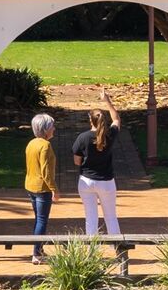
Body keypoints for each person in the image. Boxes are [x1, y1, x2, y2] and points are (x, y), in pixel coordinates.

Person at [72, 88, 122, 236]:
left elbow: (77, 161)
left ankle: (91, 253)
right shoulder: (110, 135)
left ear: (90, 121)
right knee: (111, 217)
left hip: (86, 181)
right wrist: (107, 100)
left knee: (91, 217)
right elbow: (116, 119)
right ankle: (118, 250)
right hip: (106, 181)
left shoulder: (83, 137)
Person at [24, 113, 60, 265]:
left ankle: (38, 248)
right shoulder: (45, 145)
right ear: (46, 130)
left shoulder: (31, 143)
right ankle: (36, 253)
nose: (54, 129)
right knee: (42, 220)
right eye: (51, 126)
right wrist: (54, 189)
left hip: (30, 185)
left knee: (38, 218)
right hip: (41, 188)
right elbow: (46, 171)